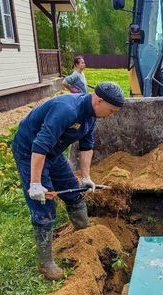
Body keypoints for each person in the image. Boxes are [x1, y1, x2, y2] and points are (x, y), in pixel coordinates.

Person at [12, 83, 124, 281]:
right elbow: (40, 144)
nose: (112, 114)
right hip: (31, 151)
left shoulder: (91, 116)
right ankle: (46, 263)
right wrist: (36, 183)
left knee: (74, 193)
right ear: (99, 101)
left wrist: (86, 177)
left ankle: (83, 232)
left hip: (53, 153)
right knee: (44, 206)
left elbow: (86, 145)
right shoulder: (67, 109)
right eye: (112, 110)